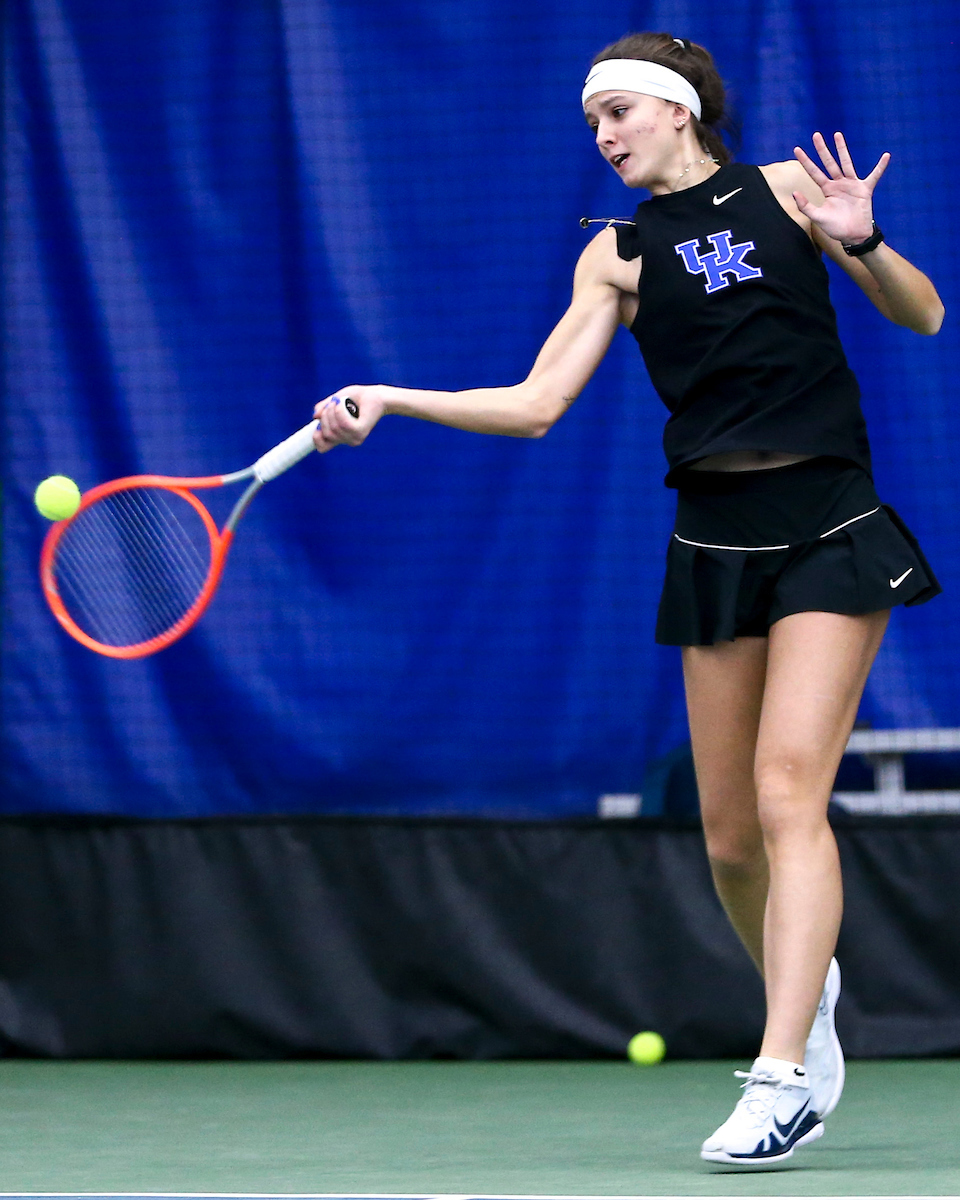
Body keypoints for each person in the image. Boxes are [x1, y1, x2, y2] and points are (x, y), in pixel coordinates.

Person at [311, 32, 944, 1166]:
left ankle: (781, 1070)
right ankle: (813, 995)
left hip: (831, 524)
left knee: (788, 789)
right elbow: (536, 402)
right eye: (592, 119)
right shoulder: (615, 257)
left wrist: (869, 242)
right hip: (713, 538)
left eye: (619, 113)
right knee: (730, 839)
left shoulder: (795, 191)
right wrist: (393, 398)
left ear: (679, 111)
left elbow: (923, 315)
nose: (603, 136)